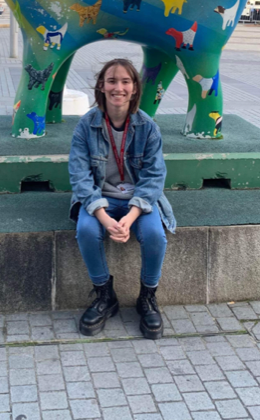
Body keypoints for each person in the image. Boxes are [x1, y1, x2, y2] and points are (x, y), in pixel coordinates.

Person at [68, 58, 176, 339]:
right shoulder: (86, 126)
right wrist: (103, 216)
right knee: (86, 230)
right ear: (101, 87)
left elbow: (154, 177)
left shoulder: (147, 127)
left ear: (135, 88)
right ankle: (105, 295)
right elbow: (80, 177)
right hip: (99, 198)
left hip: (138, 201)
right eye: (112, 81)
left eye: (125, 81)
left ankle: (147, 297)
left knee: (155, 234)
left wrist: (130, 216)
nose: (119, 87)